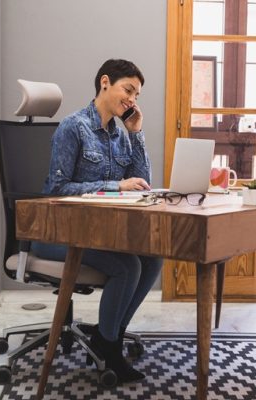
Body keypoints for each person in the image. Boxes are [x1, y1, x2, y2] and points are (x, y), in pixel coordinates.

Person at [32, 59, 162, 384]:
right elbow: (57, 190)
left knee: (151, 257)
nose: (133, 99)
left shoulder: (120, 135)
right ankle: (111, 347)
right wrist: (114, 185)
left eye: (137, 95)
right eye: (128, 90)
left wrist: (137, 134)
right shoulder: (72, 127)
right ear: (105, 82)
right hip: (58, 234)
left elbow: (143, 182)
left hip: (96, 235)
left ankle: (110, 334)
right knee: (128, 267)